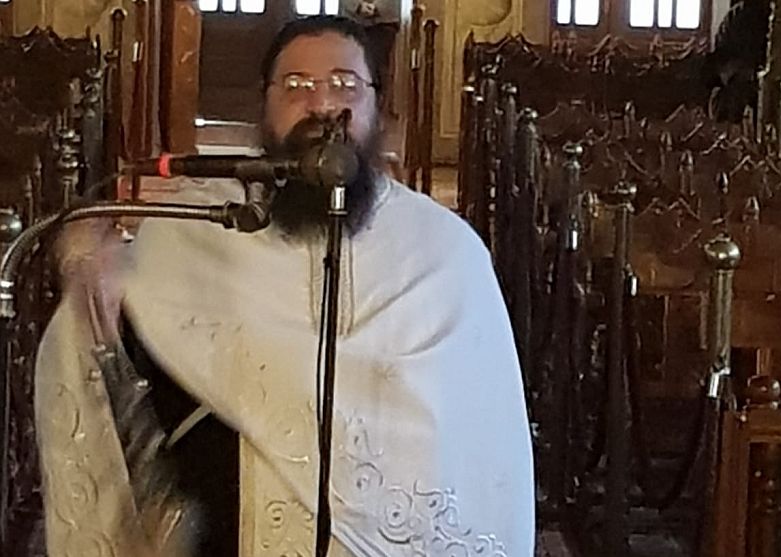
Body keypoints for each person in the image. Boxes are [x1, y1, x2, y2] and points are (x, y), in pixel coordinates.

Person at [34, 15, 534, 557]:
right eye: (296, 85)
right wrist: (95, 291)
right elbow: (112, 361)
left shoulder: (444, 251)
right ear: (265, 105)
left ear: (378, 105)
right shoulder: (193, 226)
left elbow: (479, 444)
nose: (322, 104)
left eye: (344, 83)